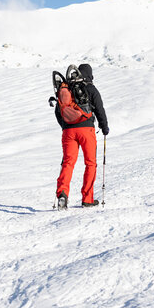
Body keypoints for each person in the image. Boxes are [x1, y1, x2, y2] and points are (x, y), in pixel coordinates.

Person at [55, 63, 109, 209]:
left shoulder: (66, 88)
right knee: (90, 163)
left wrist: (65, 127)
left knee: (68, 163)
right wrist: (104, 127)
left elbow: (58, 111)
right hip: (86, 130)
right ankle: (87, 199)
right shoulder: (91, 88)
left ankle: (62, 194)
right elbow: (99, 109)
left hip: (68, 132)